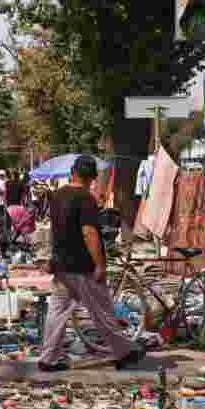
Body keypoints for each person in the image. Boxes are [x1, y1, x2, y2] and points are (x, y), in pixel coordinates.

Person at [37, 156, 144, 373]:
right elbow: (89, 232)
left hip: (61, 265)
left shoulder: (57, 196)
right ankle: (123, 352)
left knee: (57, 313)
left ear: (73, 172)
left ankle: (48, 358)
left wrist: (51, 258)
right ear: (91, 177)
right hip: (82, 266)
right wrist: (100, 264)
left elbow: (55, 230)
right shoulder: (85, 199)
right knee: (102, 311)